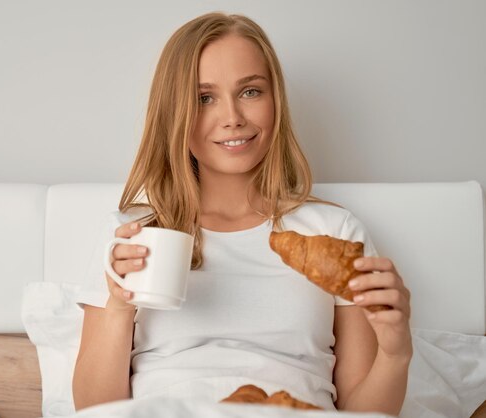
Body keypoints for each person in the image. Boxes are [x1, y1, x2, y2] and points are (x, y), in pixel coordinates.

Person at [72, 12, 412, 415]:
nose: (232, 116)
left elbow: (364, 414)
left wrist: (396, 354)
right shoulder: (134, 236)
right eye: (205, 98)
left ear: (275, 100)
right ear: (174, 112)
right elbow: (94, 410)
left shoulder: (334, 231)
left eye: (250, 91)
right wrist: (119, 306)